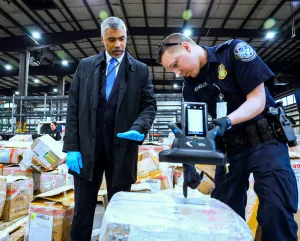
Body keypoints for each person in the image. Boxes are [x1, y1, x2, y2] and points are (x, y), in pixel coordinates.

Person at [156, 33, 298, 241]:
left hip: (265, 141)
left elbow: (257, 100)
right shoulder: (190, 86)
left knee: (276, 208)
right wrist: (189, 164)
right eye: (172, 70)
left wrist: (227, 121)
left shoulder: (234, 53)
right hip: (231, 151)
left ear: (186, 47)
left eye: (176, 64)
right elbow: (195, 130)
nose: (177, 73)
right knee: (224, 213)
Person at [63, 16, 156, 241]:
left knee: (120, 210)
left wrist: (139, 127)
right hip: (87, 150)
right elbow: (73, 107)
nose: (118, 45)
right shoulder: (86, 67)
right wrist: (72, 147)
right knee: (83, 209)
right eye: (111, 39)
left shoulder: (140, 70)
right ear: (102, 39)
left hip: (122, 149)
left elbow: (149, 105)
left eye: (122, 39)